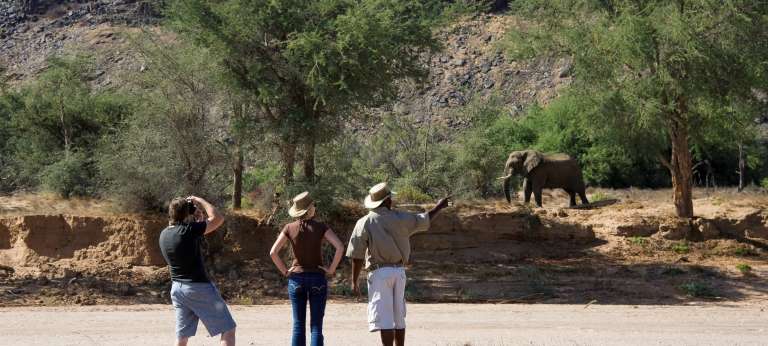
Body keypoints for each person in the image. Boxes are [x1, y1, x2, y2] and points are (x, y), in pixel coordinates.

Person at [346, 182, 449, 346]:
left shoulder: (364, 222)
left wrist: (354, 281)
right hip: (399, 272)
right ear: (387, 201)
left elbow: (357, 256)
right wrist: (439, 206)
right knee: (399, 317)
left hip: (379, 274)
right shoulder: (401, 218)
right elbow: (424, 219)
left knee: (385, 319)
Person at [159, 196, 236, 346]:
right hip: (197, 287)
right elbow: (218, 218)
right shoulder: (188, 231)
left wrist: (197, 220)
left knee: (182, 337)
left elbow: (189, 238)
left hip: (177, 289)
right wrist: (199, 200)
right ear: (187, 213)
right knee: (228, 329)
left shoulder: (164, 235)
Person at [270, 191, 344, 346]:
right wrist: (330, 269)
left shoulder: (289, 227)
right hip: (317, 278)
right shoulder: (321, 227)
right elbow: (339, 247)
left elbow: (273, 252)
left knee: (298, 326)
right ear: (310, 209)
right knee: (316, 327)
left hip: (296, 279)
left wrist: (285, 271)